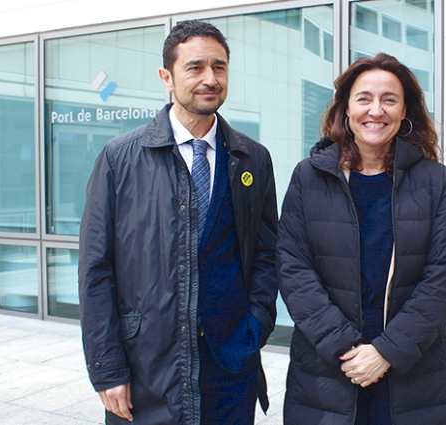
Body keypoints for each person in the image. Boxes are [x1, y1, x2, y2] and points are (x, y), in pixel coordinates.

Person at [78, 20, 278, 425]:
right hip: (146, 368)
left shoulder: (253, 158)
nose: (210, 78)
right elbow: (95, 270)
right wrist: (107, 368)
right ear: (166, 77)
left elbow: (266, 255)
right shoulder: (120, 159)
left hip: (229, 366)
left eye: (219, 67)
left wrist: (254, 326)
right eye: (195, 67)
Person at [276, 52, 446, 425]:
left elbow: (444, 275)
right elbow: (292, 267)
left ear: (404, 110)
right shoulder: (308, 178)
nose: (375, 110)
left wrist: (386, 351)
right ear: (346, 109)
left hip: (413, 369)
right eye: (364, 98)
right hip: (328, 368)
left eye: (389, 99)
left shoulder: (433, 180)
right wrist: (346, 349)